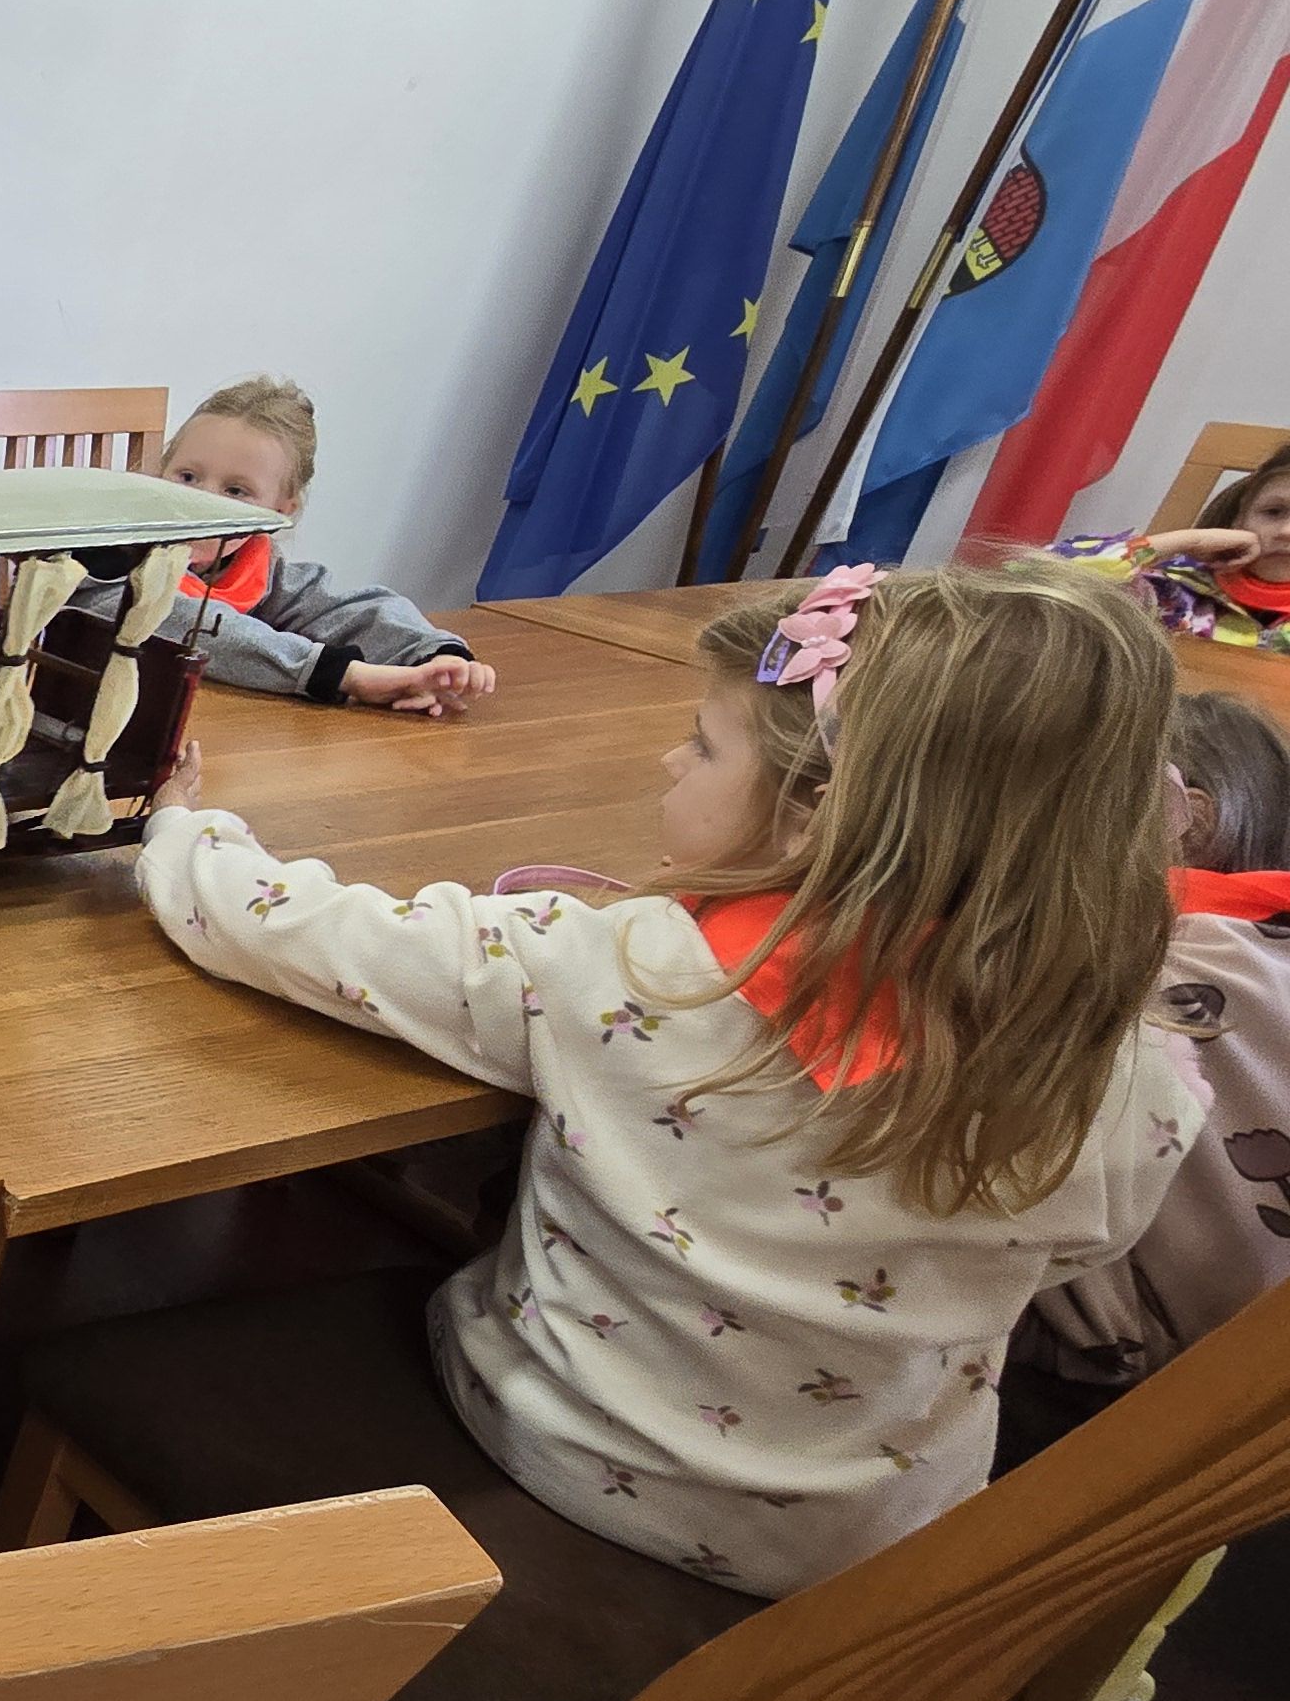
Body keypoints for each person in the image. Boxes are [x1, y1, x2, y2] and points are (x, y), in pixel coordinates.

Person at [137, 562, 1199, 1596]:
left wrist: (185, 826)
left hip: (564, 1464)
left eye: (701, 744)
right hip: (868, 1554)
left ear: (813, 815)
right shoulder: (1122, 1063)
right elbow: (1086, 1246)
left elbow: (285, 929)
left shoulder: (628, 968)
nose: (667, 759)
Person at [1019, 691, 1290, 1419]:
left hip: (1108, 1373)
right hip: (1248, 1376)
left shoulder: (1140, 954)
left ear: (1189, 820)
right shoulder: (1266, 943)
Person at [113, 376, 496, 716]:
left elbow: (346, 609)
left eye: (236, 490)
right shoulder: (109, 556)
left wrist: (437, 659)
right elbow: (176, 619)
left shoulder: (260, 572)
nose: (203, 500)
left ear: (279, 511)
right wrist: (344, 675)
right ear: (160, 473)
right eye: (188, 476)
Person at [1055, 438, 1290, 650]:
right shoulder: (1170, 590)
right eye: (1273, 512)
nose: (1285, 532)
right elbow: (1047, 576)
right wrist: (1186, 540)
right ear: (1239, 520)